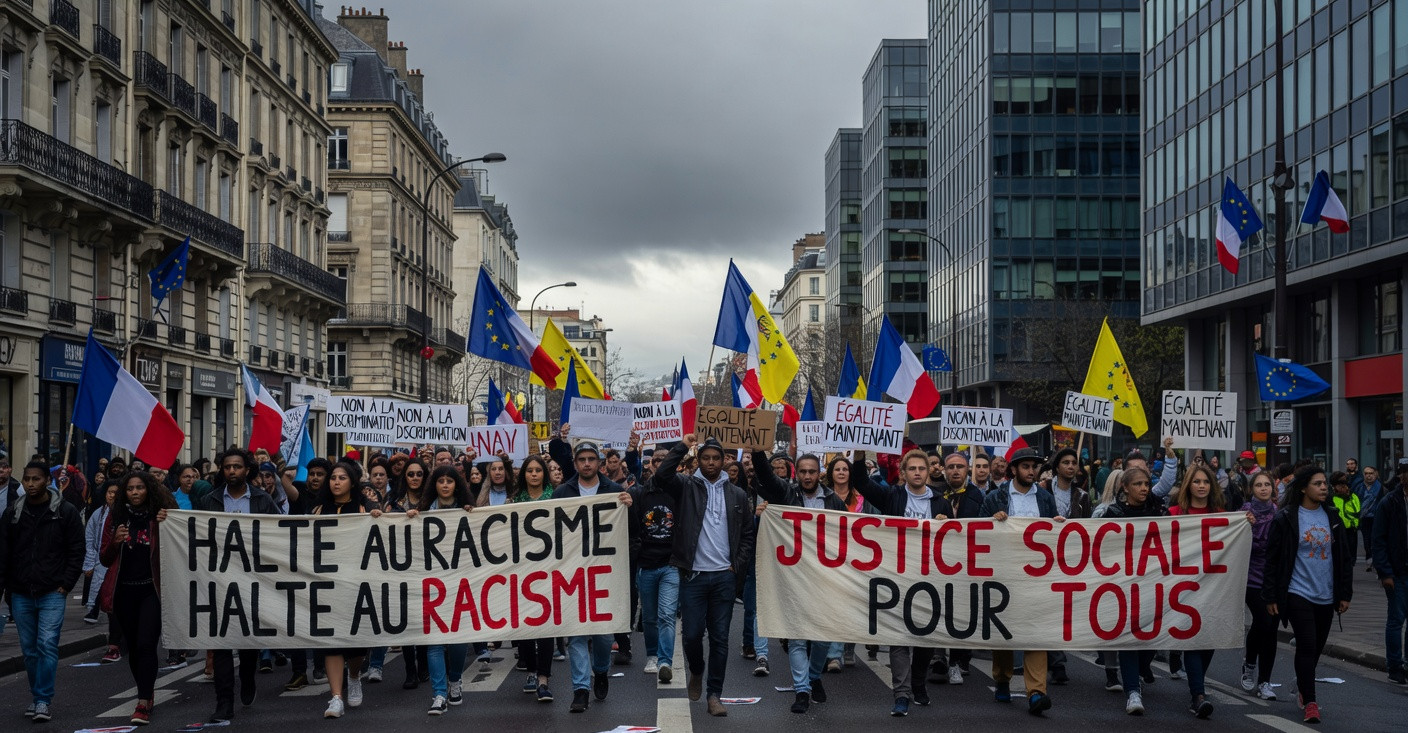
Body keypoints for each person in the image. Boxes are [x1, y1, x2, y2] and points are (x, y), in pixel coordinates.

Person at [653, 434, 757, 718]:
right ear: (699, 461)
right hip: (693, 576)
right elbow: (662, 474)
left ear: (724, 461)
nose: (711, 463)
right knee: (692, 636)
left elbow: (747, 534)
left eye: (716, 458)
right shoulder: (687, 486)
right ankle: (696, 670)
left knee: (721, 639)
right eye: (706, 458)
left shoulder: (736, 494)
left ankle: (714, 695)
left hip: (724, 577)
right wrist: (683, 446)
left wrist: (737, 564)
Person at [853, 449, 953, 717]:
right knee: (899, 638)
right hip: (898, 577)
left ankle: (918, 684)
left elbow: (956, 540)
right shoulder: (892, 496)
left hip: (930, 579)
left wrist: (947, 524)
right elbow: (861, 483)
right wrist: (859, 458)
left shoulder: (941, 503)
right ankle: (901, 694)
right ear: (904, 472)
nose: (918, 472)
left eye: (922, 468)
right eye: (913, 469)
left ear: (928, 472)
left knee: (925, 638)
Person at [749, 451, 846, 714]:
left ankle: (814, 676)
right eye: (802, 471)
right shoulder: (786, 493)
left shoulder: (833, 501)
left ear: (819, 473)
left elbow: (851, 533)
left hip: (824, 579)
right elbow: (767, 478)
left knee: (824, 636)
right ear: (796, 473)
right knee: (797, 639)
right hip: (792, 576)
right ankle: (802, 689)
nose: (806, 476)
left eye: (811, 472)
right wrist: (758, 451)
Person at [1263, 466, 1353, 725]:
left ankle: (1303, 685)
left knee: (1315, 650)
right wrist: (1270, 596)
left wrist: (1344, 593)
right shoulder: (1286, 517)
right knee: (1307, 645)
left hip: (1326, 594)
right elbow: (1273, 560)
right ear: (1303, 488)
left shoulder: (1332, 516)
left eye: (1325, 483)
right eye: (1318, 483)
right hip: (1297, 592)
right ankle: (1311, 702)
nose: (1324, 487)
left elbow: (1344, 559)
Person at [199, 448, 282, 722]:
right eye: (227, 467)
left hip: (253, 581)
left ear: (247, 470)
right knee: (221, 640)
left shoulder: (262, 500)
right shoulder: (209, 500)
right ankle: (224, 702)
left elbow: (278, 533)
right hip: (220, 580)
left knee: (248, 639)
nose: (232, 471)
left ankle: (247, 674)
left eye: (237, 467)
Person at [552, 440, 634, 713]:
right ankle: (580, 690)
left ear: (599, 462)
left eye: (591, 459)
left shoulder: (614, 490)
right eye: (582, 459)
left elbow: (629, 532)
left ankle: (600, 670)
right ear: (575, 463)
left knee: (601, 635)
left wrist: (629, 507)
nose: (587, 464)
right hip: (572, 574)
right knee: (576, 635)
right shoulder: (562, 492)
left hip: (604, 573)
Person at [0, 460, 84, 722]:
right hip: (21, 592)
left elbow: (76, 550)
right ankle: (37, 696)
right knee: (29, 649)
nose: (31, 484)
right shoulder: (13, 512)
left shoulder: (65, 512)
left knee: (47, 644)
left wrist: (66, 583)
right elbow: (4, 554)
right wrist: (6, 588)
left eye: (36, 479)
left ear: (47, 481)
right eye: (27, 479)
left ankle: (42, 700)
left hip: (52, 591)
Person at [980, 448, 1060, 716]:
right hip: (1005, 573)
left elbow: (1053, 533)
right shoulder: (995, 497)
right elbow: (979, 531)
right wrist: (993, 521)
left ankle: (1037, 692)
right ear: (1013, 469)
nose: (1031, 471)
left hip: (1038, 576)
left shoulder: (1046, 498)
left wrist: (1058, 524)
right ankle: (1002, 677)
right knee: (1004, 631)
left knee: (1035, 633)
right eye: (1025, 466)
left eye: (1034, 467)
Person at [1166, 462, 1248, 719]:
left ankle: (1196, 686)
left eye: (1205, 482)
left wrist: (1245, 525)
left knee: (1209, 637)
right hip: (1184, 587)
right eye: (1196, 482)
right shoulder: (1173, 513)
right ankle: (1198, 695)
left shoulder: (1221, 515)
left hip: (1213, 587)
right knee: (1192, 639)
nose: (1201, 486)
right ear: (1188, 485)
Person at [100, 471, 177, 725]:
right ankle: (147, 688)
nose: (134, 492)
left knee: (146, 644)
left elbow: (179, 544)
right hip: (124, 592)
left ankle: (143, 701)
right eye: (130, 488)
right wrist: (115, 542)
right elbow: (105, 558)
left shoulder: (160, 517)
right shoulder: (116, 518)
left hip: (150, 591)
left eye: (140, 488)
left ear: (149, 490)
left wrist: (169, 523)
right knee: (133, 647)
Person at [401, 466, 475, 715]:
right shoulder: (422, 512)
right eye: (440, 481)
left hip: (460, 584)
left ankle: (455, 678)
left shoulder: (469, 511)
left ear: (457, 485)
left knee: (456, 639)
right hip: (430, 584)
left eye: (449, 481)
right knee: (433, 640)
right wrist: (407, 519)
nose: (445, 485)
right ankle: (439, 693)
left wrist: (472, 516)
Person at [312, 461, 381, 718]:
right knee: (331, 641)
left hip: (356, 583)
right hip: (327, 583)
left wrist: (377, 518)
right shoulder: (318, 510)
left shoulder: (365, 507)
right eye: (333, 478)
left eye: (342, 477)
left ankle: (353, 675)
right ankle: (336, 698)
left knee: (354, 644)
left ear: (352, 481)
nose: (336, 482)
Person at [1100, 467, 1164, 715]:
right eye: (1138, 484)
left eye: (1146, 483)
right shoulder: (1112, 514)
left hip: (1152, 584)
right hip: (1123, 585)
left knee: (1150, 638)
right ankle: (1132, 691)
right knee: (1130, 639)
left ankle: (1140, 670)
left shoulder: (1159, 512)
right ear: (1125, 487)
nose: (1144, 488)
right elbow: (1095, 542)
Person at [510, 456, 558, 702]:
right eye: (530, 470)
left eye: (539, 470)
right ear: (524, 474)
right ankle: (530, 671)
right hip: (522, 571)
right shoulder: (513, 502)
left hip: (550, 569)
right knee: (527, 625)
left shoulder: (557, 498)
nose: (534, 474)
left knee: (546, 626)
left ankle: (543, 679)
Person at [633, 447, 680, 686]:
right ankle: (652, 654)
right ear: (650, 464)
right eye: (656, 460)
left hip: (670, 565)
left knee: (666, 615)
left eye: (665, 460)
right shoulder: (640, 493)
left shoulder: (679, 490)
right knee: (649, 617)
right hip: (647, 565)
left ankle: (665, 661)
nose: (661, 464)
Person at [1240, 472, 1280, 699]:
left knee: (1271, 629)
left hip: (1273, 578)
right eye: (1259, 485)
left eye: (1267, 484)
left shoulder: (1279, 514)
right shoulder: (1244, 513)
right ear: (1251, 489)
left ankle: (1265, 681)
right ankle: (1249, 666)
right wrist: (1248, 528)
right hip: (1250, 577)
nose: (1263, 488)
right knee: (1263, 621)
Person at [1371, 458, 1408, 684]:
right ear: (1401, 476)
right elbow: (1378, 539)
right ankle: (1395, 666)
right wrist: (1385, 572)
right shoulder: (1390, 502)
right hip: (1398, 571)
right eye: (1405, 472)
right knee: (1396, 619)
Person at [1329, 471, 1362, 561]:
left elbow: (1356, 512)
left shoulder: (1353, 496)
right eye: (1341, 484)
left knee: (1350, 558)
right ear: (1334, 486)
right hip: (1336, 531)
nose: (1344, 486)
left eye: (1345, 483)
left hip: (1351, 529)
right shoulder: (1330, 498)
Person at [1360, 465, 1386, 566]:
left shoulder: (1382, 488)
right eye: (1366, 473)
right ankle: (1369, 555)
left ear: (1375, 474)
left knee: (1376, 538)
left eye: (1371, 473)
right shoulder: (1359, 487)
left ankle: (1375, 557)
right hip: (1364, 517)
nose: (1368, 476)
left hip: (1377, 517)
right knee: (1366, 538)